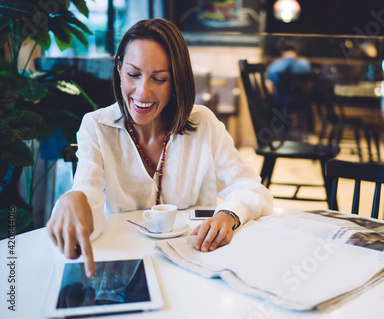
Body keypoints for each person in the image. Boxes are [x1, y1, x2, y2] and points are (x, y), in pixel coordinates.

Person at [46, 18, 273, 278]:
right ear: (119, 68)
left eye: (159, 78)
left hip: (198, 265)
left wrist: (229, 215)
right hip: (128, 265)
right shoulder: (95, 126)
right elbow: (89, 194)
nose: (143, 92)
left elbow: (254, 190)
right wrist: (74, 198)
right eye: (133, 74)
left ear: (176, 80)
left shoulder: (203, 123)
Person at [265, 40, 313, 138]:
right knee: (307, 106)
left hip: (280, 105)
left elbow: (269, 88)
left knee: (277, 106)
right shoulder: (305, 64)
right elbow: (309, 85)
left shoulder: (274, 65)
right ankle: (308, 132)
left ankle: (280, 135)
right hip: (301, 103)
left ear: (282, 52)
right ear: (296, 52)